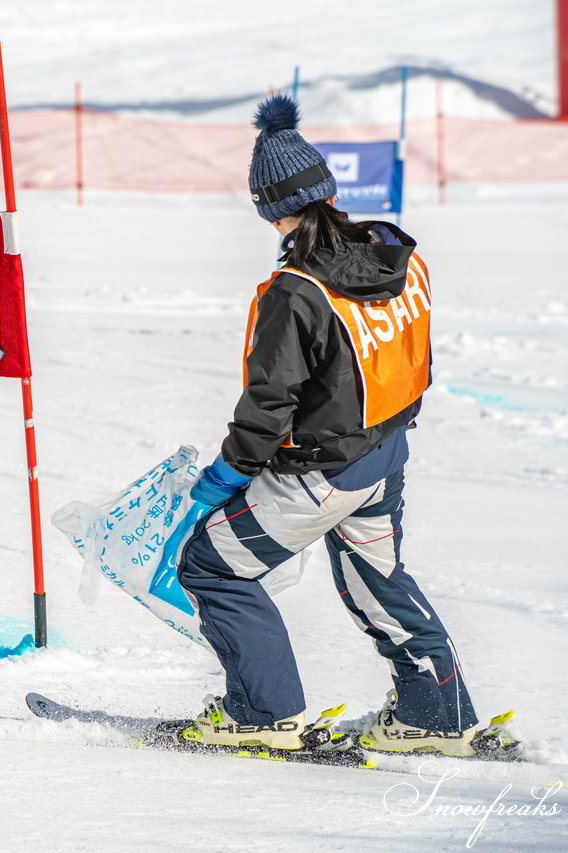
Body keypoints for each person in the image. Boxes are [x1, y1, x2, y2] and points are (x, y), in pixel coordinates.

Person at [175, 94, 484, 756]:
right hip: (385, 453)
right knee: (377, 576)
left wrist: (229, 473)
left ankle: (264, 713)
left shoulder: (295, 290)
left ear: (270, 209)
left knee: (211, 564)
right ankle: (440, 713)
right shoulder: (393, 250)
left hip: (323, 471)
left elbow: (270, 402)